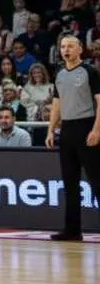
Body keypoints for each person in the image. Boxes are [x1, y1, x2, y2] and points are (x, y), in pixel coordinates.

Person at [44, 34, 100, 241]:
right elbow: (57, 104)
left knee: (97, 180)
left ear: (80, 49)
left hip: (87, 126)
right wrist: (51, 130)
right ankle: (72, 230)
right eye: (63, 46)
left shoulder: (90, 71)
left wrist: (97, 130)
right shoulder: (58, 72)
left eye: (70, 46)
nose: (66, 50)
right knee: (70, 183)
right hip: (66, 130)